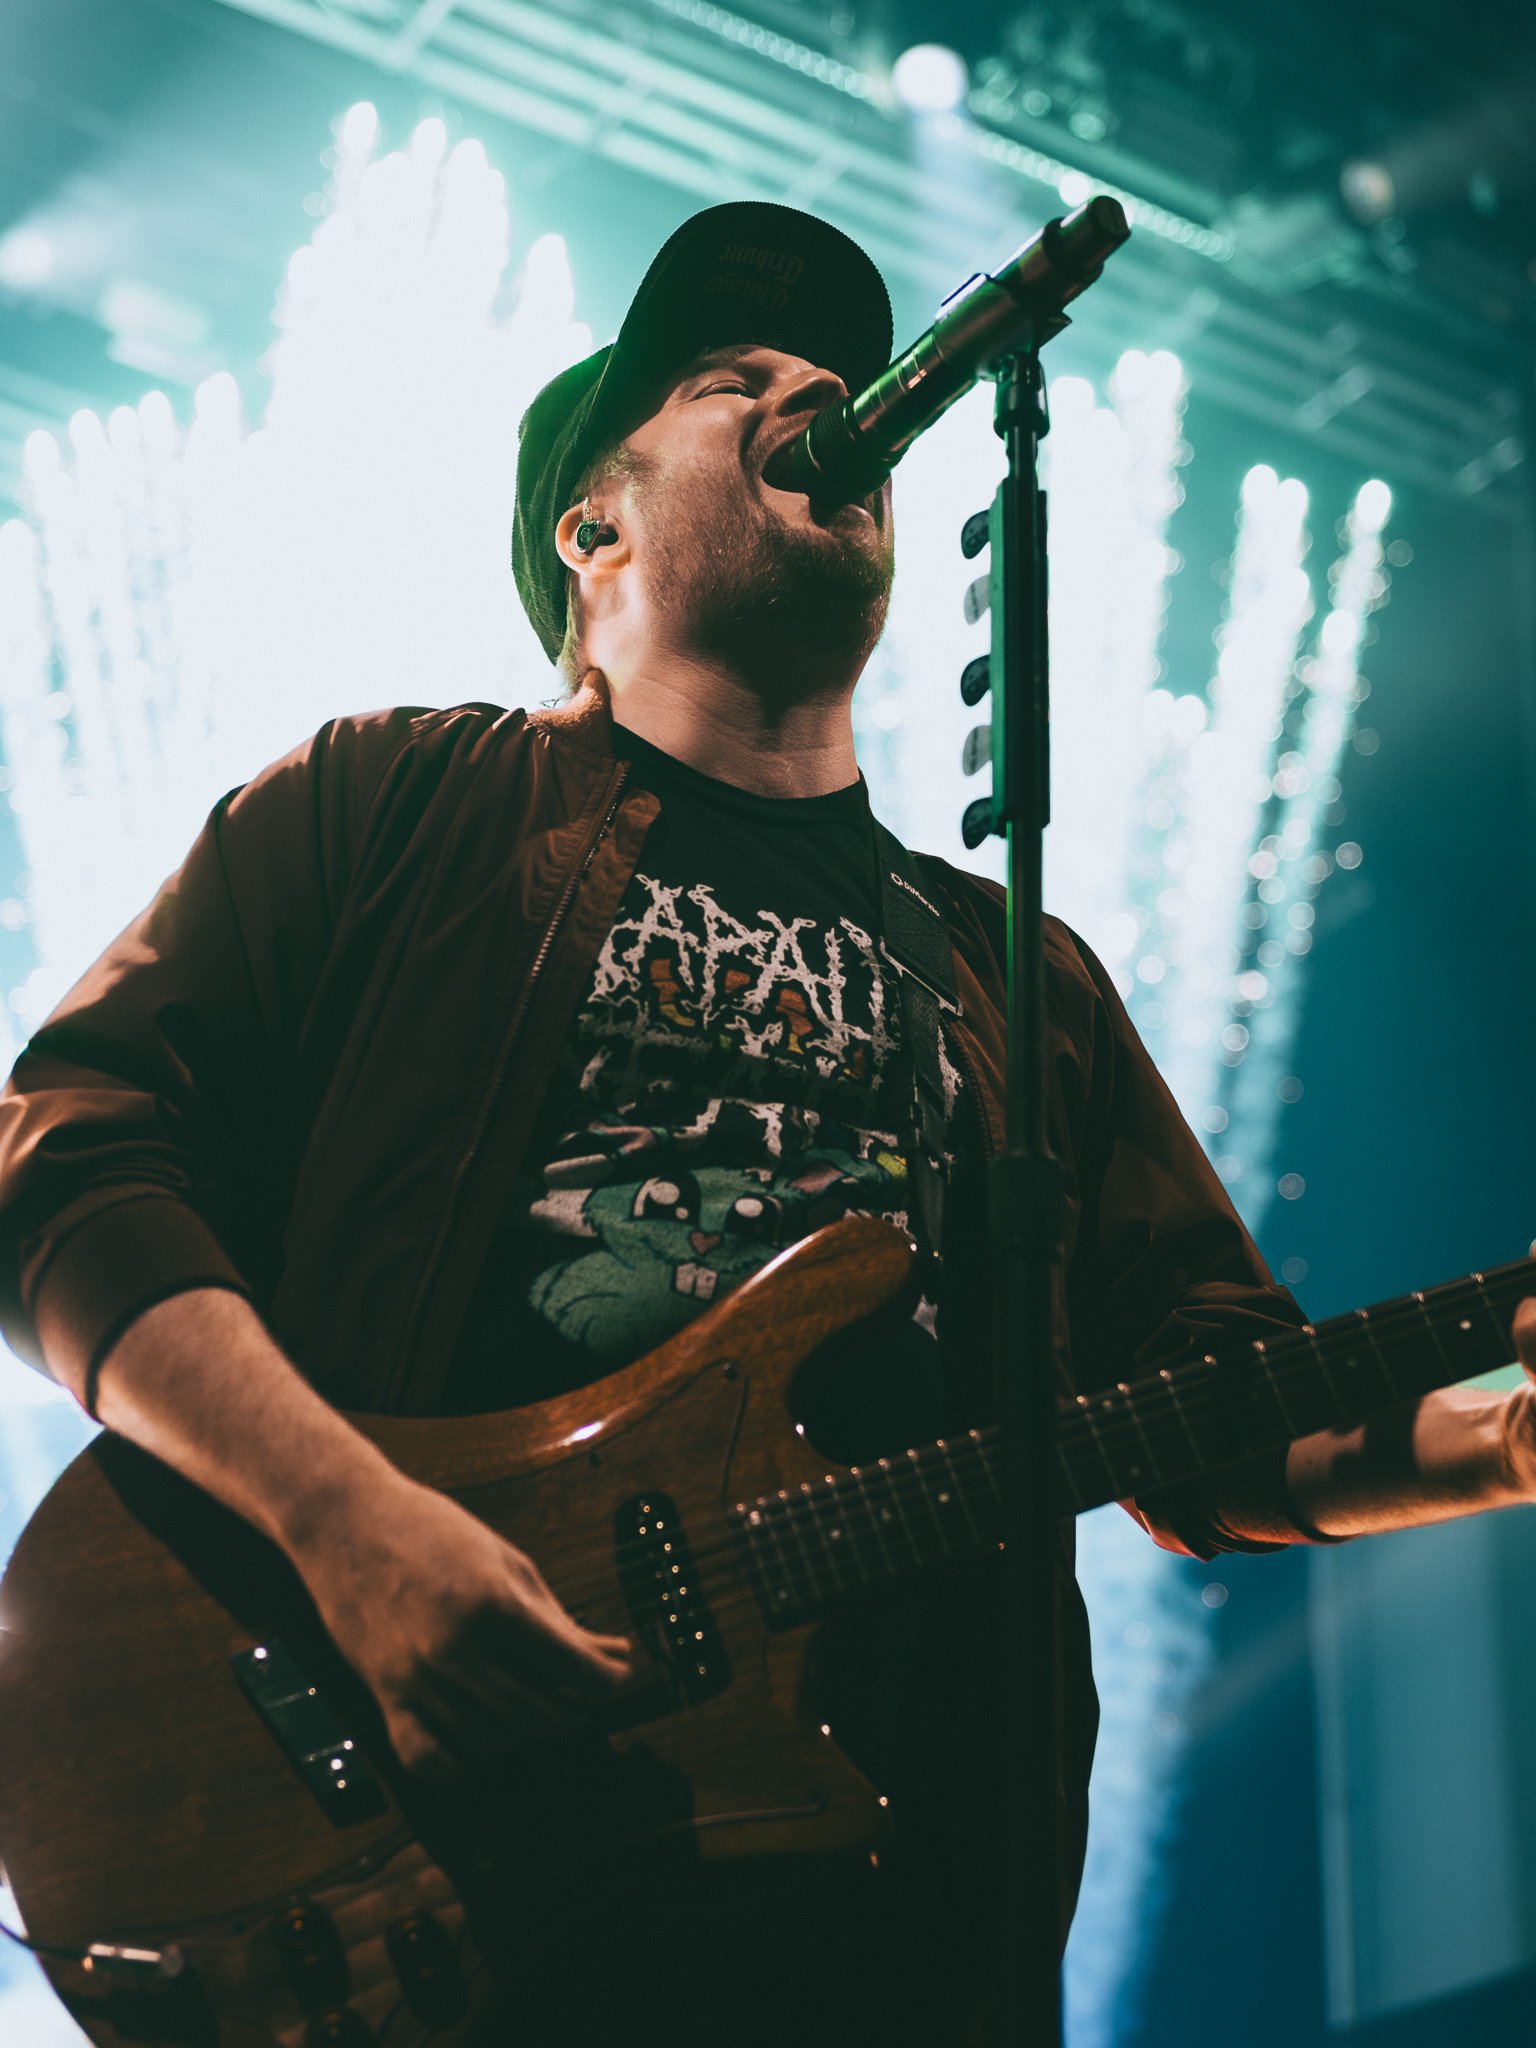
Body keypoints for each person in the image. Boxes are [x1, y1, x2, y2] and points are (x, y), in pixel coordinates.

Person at [2, 201, 1535, 2046]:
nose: (818, 394)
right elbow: (65, 1157)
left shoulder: (1012, 974)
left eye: (827, 374)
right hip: (437, 1853)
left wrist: (1497, 1434)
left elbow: (1212, 1412)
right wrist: (349, 1525)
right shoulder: (392, 804)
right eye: (738, 382)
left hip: (896, 1910)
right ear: (596, 525)